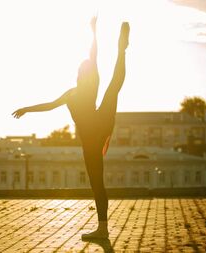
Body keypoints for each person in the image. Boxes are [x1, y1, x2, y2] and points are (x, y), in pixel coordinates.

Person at [12, 17, 129, 239]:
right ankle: (122, 51)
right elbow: (94, 55)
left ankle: (102, 228)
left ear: (77, 75)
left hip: (90, 138)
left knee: (97, 182)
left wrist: (27, 108)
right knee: (114, 87)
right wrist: (94, 31)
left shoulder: (71, 94)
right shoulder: (92, 84)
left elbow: (49, 106)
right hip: (101, 120)